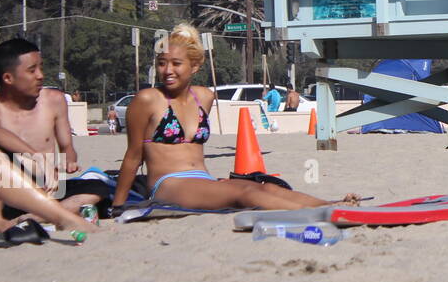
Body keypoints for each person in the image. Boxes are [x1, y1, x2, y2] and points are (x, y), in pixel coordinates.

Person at [111, 24, 360, 212]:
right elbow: (133, 157)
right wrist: (118, 206)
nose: (168, 70)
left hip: (202, 179)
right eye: (162, 63)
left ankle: (331, 203)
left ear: (195, 67)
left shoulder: (204, 97)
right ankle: (327, 211)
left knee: (263, 186)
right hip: (168, 184)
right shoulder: (147, 100)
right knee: (242, 192)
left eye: (176, 63)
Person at [0, 38, 100, 220]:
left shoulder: (54, 100)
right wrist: (36, 155)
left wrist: (69, 161)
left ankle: (36, 216)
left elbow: (67, 147)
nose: (40, 75)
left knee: (98, 187)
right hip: (0, 189)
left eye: (41, 67)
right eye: (32, 70)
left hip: (45, 187)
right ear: (8, 78)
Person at [0, 137, 101, 238]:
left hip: (43, 182)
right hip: (9, 187)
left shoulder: (54, 101)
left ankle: (65, 219)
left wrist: (64, 163)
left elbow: (66, 146)